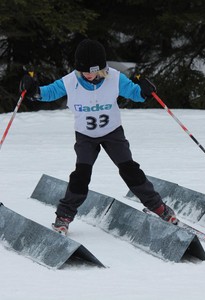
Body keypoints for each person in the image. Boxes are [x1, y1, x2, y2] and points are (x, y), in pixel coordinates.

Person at [20, 39, 178, 234]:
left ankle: (159, 207)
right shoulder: (70, 81)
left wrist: (144, 91)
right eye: (85, 71)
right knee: (81, 175)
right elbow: (48, 93)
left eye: (94, 71)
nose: (89, 75)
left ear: (102, 68)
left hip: (113, 133)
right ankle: (64, 216)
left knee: (130, 169)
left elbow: (135, 93)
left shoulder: (115, 78)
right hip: (85, 136)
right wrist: (33, 91)